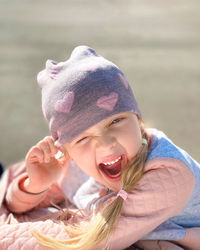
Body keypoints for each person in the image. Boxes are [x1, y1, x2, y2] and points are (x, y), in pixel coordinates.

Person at [4, 46, 200, 250]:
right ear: (67, 150)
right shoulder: (83, 162)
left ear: (137, 119)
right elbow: (14, 205)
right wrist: (36, 184)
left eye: (115, 121)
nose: (106, 144)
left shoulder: (170, 175)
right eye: (82, 137)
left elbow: (93, 242)